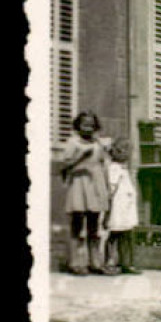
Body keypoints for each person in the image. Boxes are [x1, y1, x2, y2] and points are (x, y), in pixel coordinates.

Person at [60, 112, 109, 275]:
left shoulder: (98, 144)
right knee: (77, 225)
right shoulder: (73, 143)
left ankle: (95, 261)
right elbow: (65, 166)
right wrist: (81, 158)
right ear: (77, 126)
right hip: (79, 185)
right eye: (84, 125)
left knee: (94, 225)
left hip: (94, 186)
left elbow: (102, 164)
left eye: (91, 125)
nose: (88, 128)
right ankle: (75, 261)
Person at [101, 139, 140, 275]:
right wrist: (108, 210)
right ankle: (109, 262)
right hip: (117, 208)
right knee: (113, 235)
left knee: (126, 235)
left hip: (125, 209)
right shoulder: (114, 169)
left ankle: (126, 263)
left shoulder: (124, 169)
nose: (126, 154)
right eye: (122, 151)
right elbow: (111, 190)